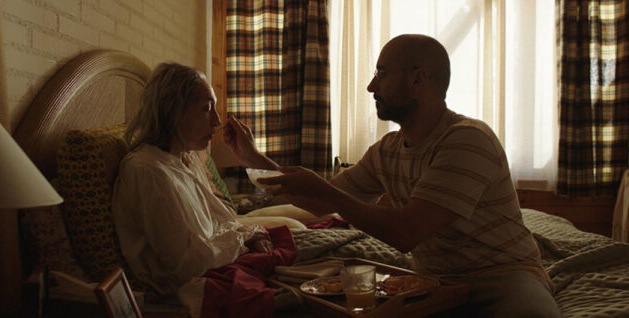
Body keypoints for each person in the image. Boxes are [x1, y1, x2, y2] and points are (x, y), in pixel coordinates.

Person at [232, 34, 561, 317]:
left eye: (382, 73)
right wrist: (254, 159)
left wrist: (328, 194)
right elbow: (317, 201)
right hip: (432, 281)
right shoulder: (386, 150)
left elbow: (406, 233)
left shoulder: (467, 140)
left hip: (501, 276)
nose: (371, 85)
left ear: (418, 80)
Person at [112, 63, 277, 297]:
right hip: (194, 286)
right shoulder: (148, 172)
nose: (217, 121)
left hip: (220, 264)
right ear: (172, 110)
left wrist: (249, 235)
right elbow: (187, 266)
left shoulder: (184, 158)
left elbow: (220, 220)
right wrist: (246, 236)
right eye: (206, 108)